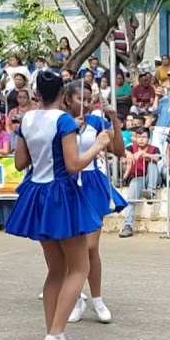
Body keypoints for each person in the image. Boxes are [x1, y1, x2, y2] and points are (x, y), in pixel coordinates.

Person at [5, 69, 111, 340]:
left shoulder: (27, 119)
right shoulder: (64, 121)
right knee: (79, 267)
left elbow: (19, 162)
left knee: (55, 269)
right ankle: (56, 333)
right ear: (64, 96)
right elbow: (75, 165)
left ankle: (52, 331)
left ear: (37, 93)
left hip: (37, 192)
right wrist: (99, 145)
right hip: (62, 194)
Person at [63, 81, 127, 323]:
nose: (87, 104)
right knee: (70, 248)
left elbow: (118, 151)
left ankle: (97, 299)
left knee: (90, 247)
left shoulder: (97, 122)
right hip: (66, 185)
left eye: (90, 99)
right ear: (68, 100)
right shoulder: (60, 122)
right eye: (81, 99)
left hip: (90, 183)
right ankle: (77, 297)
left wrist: (114, 123)